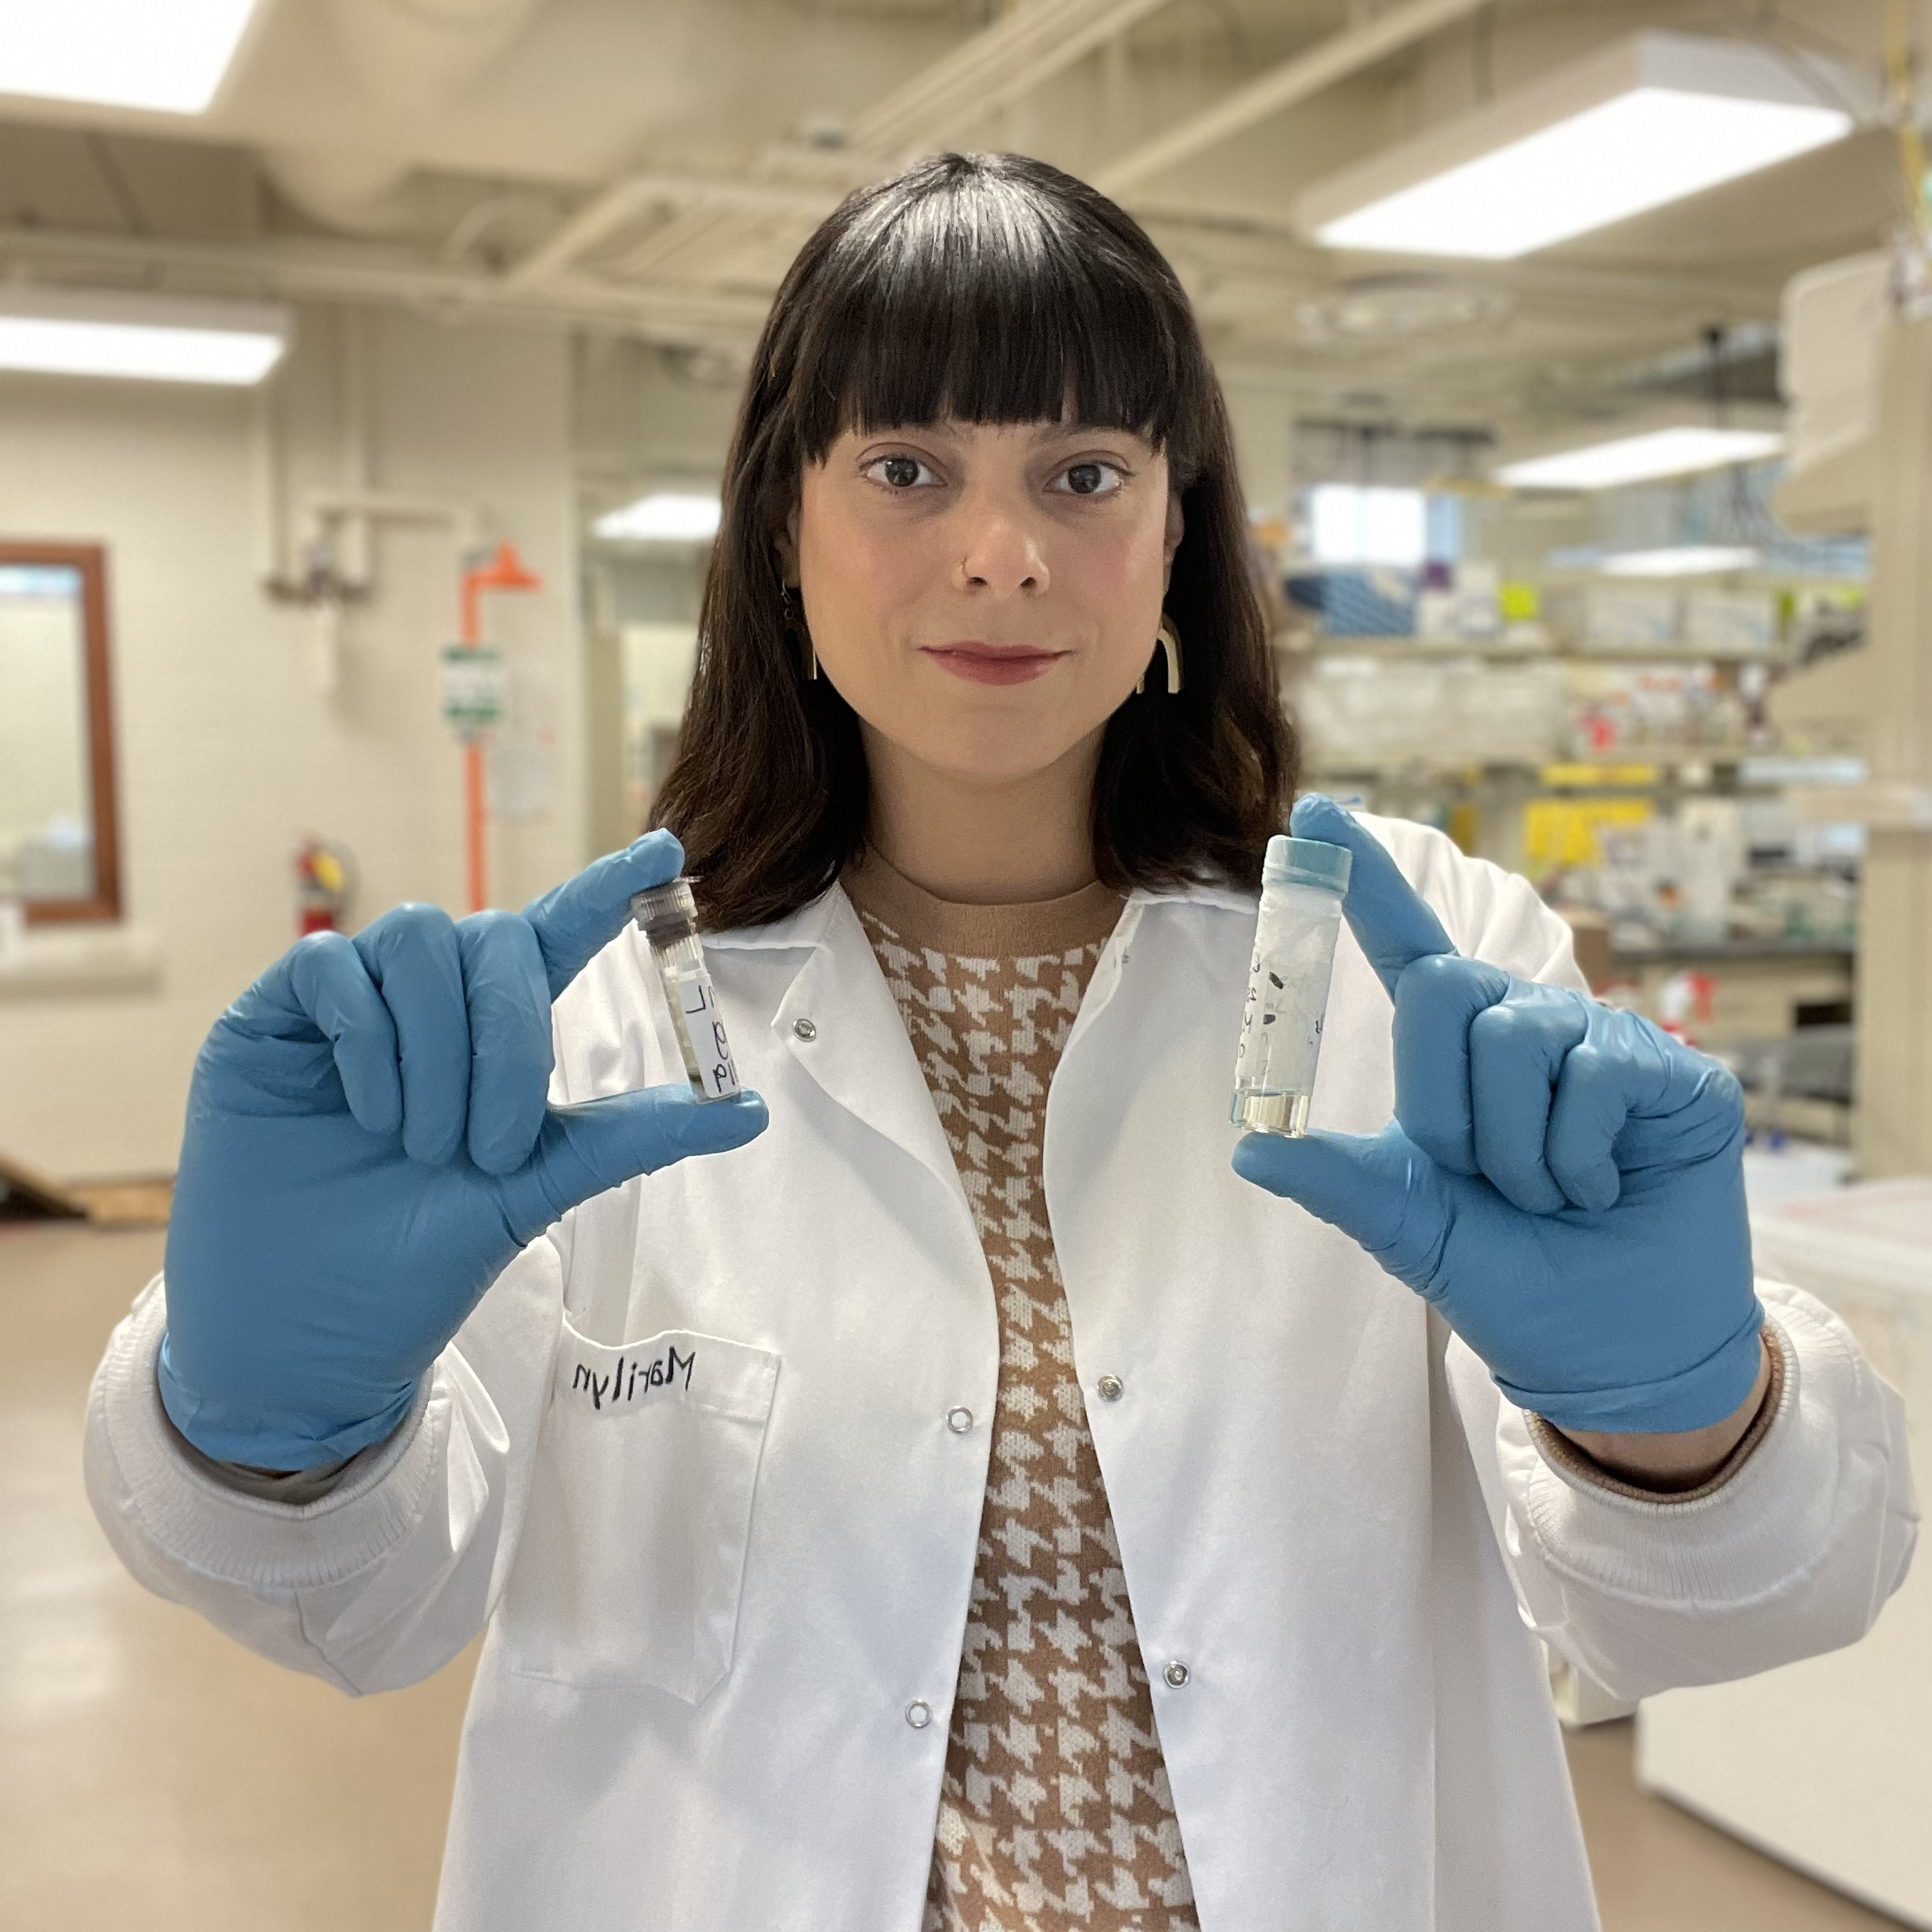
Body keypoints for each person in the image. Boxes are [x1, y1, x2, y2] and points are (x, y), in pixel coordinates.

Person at [88, 153, 1913, 1932]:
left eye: (1084, 472)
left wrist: (1685, 1429)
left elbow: (1709, 1621)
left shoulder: (1413, 967)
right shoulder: (602, 1010)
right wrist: (275, 1434)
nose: (1001, 553)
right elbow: (366, 1607)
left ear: (1174, 536)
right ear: (783, 539)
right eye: (906, 467)